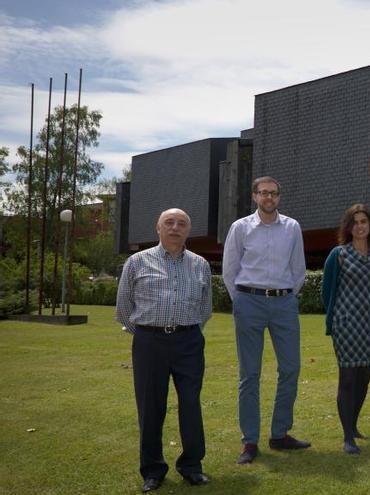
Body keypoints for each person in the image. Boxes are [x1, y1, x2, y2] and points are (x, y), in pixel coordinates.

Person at [115, 208, 212, 492]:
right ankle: (153, 470)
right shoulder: (136, 262)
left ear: (187, 231)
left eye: (181, 224)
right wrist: (148, 333)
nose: (175, 227)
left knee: (191, 404)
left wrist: (183, 332)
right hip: (149, 343)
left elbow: (205, 309)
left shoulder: (200, 264)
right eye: (169, 222)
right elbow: (123, 309)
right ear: (158, 228)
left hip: (189, 342)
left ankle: (192, 466)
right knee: (150, 406)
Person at [222, 176, 310, 465]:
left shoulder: (292, 227)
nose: (269, 198)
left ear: (279, 197)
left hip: (284, 302)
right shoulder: (240, 228)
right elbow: (230, 269)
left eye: (273, 193)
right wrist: (243, 301)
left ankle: (279, 433)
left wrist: (286, 296)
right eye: (263, 193)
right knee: (250, 374)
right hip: (249, 301)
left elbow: (298, 269)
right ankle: (250, 440)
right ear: (254, 196)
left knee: (291, 368)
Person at [321, 204, 370, 455]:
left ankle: (354, 424)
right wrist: (337, 318)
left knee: (364, 379)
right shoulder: (338, 255)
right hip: (346, 325)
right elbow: (327, 292)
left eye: (364, 222)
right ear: (348, 227)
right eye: (355, 222)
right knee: (348, 379)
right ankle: (348, 436)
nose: (360, 226)